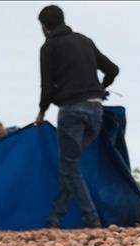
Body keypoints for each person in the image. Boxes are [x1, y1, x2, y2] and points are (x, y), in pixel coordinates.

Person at [34, 4, 118, 229]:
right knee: (69, 166)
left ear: (44, 26)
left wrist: (41, 113)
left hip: (72, 111)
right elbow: (113, 69)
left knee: (69, 167)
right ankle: (54, 218)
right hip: (95, 112)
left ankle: (92, 220)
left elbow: (47, 87)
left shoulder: (49, 47)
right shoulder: (84, 41)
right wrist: (100, 88)